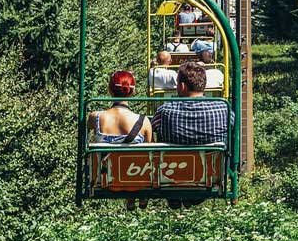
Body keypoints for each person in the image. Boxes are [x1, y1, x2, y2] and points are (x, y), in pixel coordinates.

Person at [87, 70, 152, 210]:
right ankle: (133, 193)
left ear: (110, 90)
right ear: (132, 92)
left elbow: (84, 137)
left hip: (105, 180)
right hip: (135, 179)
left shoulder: (95, 117)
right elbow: (149, 154)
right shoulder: (144, 121)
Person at [152, 61, 232, 146]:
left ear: (182, 86)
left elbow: (151, 130)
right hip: (215, 159)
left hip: (176, 159)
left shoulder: (164, 111)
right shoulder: (223, 109)